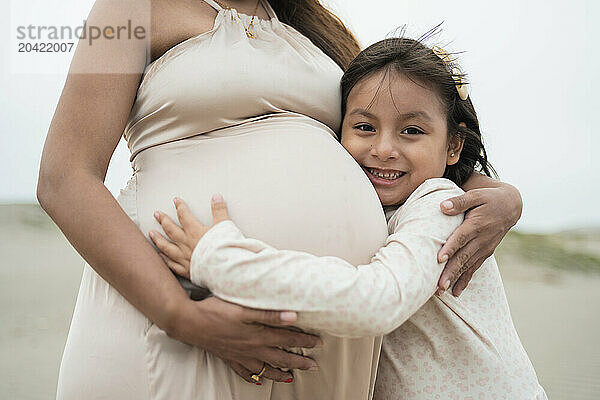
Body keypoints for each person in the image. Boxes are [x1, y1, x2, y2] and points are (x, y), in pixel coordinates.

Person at [36, 0, 522, 398]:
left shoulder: (322, 36)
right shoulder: (127, 11)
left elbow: (394, 148)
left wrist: (498, 196)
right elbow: (64, 177)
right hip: (175, 319)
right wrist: (182, 314)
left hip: (319, 356)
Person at [151, 37, 547, 399]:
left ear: (453, 146)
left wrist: (220, 261)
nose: (383, 148)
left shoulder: (439, 204)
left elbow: (377, 301)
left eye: (411, 130)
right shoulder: (386, 210)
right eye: (363, 127)